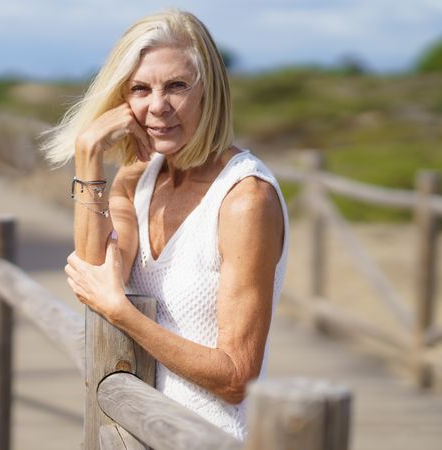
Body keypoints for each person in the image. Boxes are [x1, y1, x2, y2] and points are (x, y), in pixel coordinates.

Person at [41, 9, 288, 441]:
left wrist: (122, 313)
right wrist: (88, 152)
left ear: (207, 92)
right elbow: (95, 267)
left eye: (176, 86)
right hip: (139, 430)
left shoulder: (245, 200)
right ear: (122, 100)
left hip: (213, 438)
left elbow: (235, 377)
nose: (158, 106)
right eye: (140, 89)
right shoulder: (138, 177)